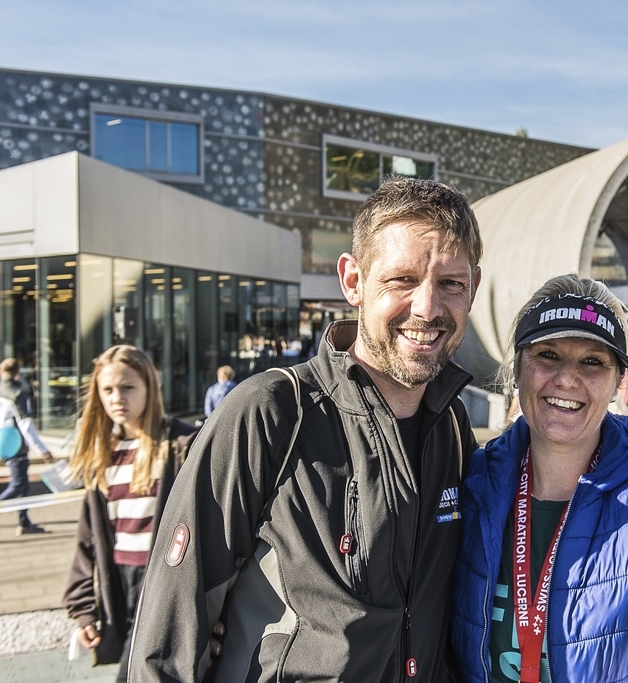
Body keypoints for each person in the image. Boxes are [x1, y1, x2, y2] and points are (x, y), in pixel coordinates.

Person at [129, 178, 482, 682]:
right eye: (402, 280)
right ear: (353, 281)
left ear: (474, 287)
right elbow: (166, 643)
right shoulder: (270, 414)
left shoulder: (452, 425)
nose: (428, 307)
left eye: (451, 283)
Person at [451, 274, 628, 683]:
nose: (567, 379)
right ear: (518, 367)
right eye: (548, 355)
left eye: (593, 361)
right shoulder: (472, 479)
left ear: (617, 383)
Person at [61, 346, 198, 681]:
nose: (116, 398)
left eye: (127, 387)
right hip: (119, 582)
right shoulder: (101, 452)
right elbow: (88, 538)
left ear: (150, 387)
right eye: (107, 390)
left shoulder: (181, 444)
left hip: (166, 581)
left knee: (138, 673)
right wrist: (82, 609)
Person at [0, 358, 54, 535]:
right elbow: (26, 426)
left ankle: (24, 522)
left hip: (4, 442)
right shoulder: (17, 394)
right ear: (19, 373)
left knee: (23, 485)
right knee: (18, 484)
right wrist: (42, 450)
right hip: (16, 445)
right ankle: (24, 523)